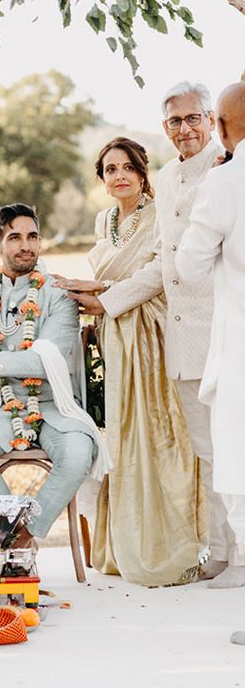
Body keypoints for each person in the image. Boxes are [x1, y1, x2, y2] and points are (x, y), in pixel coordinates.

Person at [69, 82, 230, 582]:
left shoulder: (228, 170)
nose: (185, 129)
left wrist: (106, 298)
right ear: (165, 128)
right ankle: (223, 553)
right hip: (178, 336)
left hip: (221, 325)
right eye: (175, 121)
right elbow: (164, 260)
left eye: (193, 118)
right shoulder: (168, 174)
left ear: (211, 120)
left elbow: (167, 263)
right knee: (206, 449)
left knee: (231, 447)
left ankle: (239, 554)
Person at [55, 138, 204, 585]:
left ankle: (167, 542)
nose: (119, 175)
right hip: (113, 336)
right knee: (119, 433)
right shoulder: (105, 220)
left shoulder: (161, 216)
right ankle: (122, 542)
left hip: (150, 334)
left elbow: (159, 272)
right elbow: (109, 273)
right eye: (110, 169)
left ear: (142, 174)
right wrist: (91, 297)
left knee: (154, 429)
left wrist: (106, 299)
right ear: (102, 179)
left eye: (128, 167)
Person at [0, 203, 106, 546]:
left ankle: (22, 538)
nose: (25, 245)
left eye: (32, 236)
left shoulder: (59, 295)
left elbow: (46, 361)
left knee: (77, 452)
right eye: (14, 237)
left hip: (54, 405)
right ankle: (7, 531)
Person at [176, 81, 245, 591]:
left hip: (239, 349)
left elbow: (190, 266)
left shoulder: (224, 183)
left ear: (220, 128)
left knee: (239, 465)